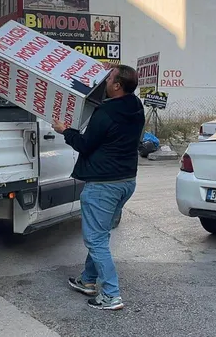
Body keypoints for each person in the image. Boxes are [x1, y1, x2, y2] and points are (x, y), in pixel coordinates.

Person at [52, 65, 145, 311]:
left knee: (95, 240)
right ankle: (87, 280)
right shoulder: (136, 106)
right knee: (101, 234)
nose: (105, 81)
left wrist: (65, 131)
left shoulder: (106, 113)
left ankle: (112, 295)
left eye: (109, 78)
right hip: (126, 181)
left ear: (117, 85)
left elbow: (84, 144)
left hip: (104, 185)